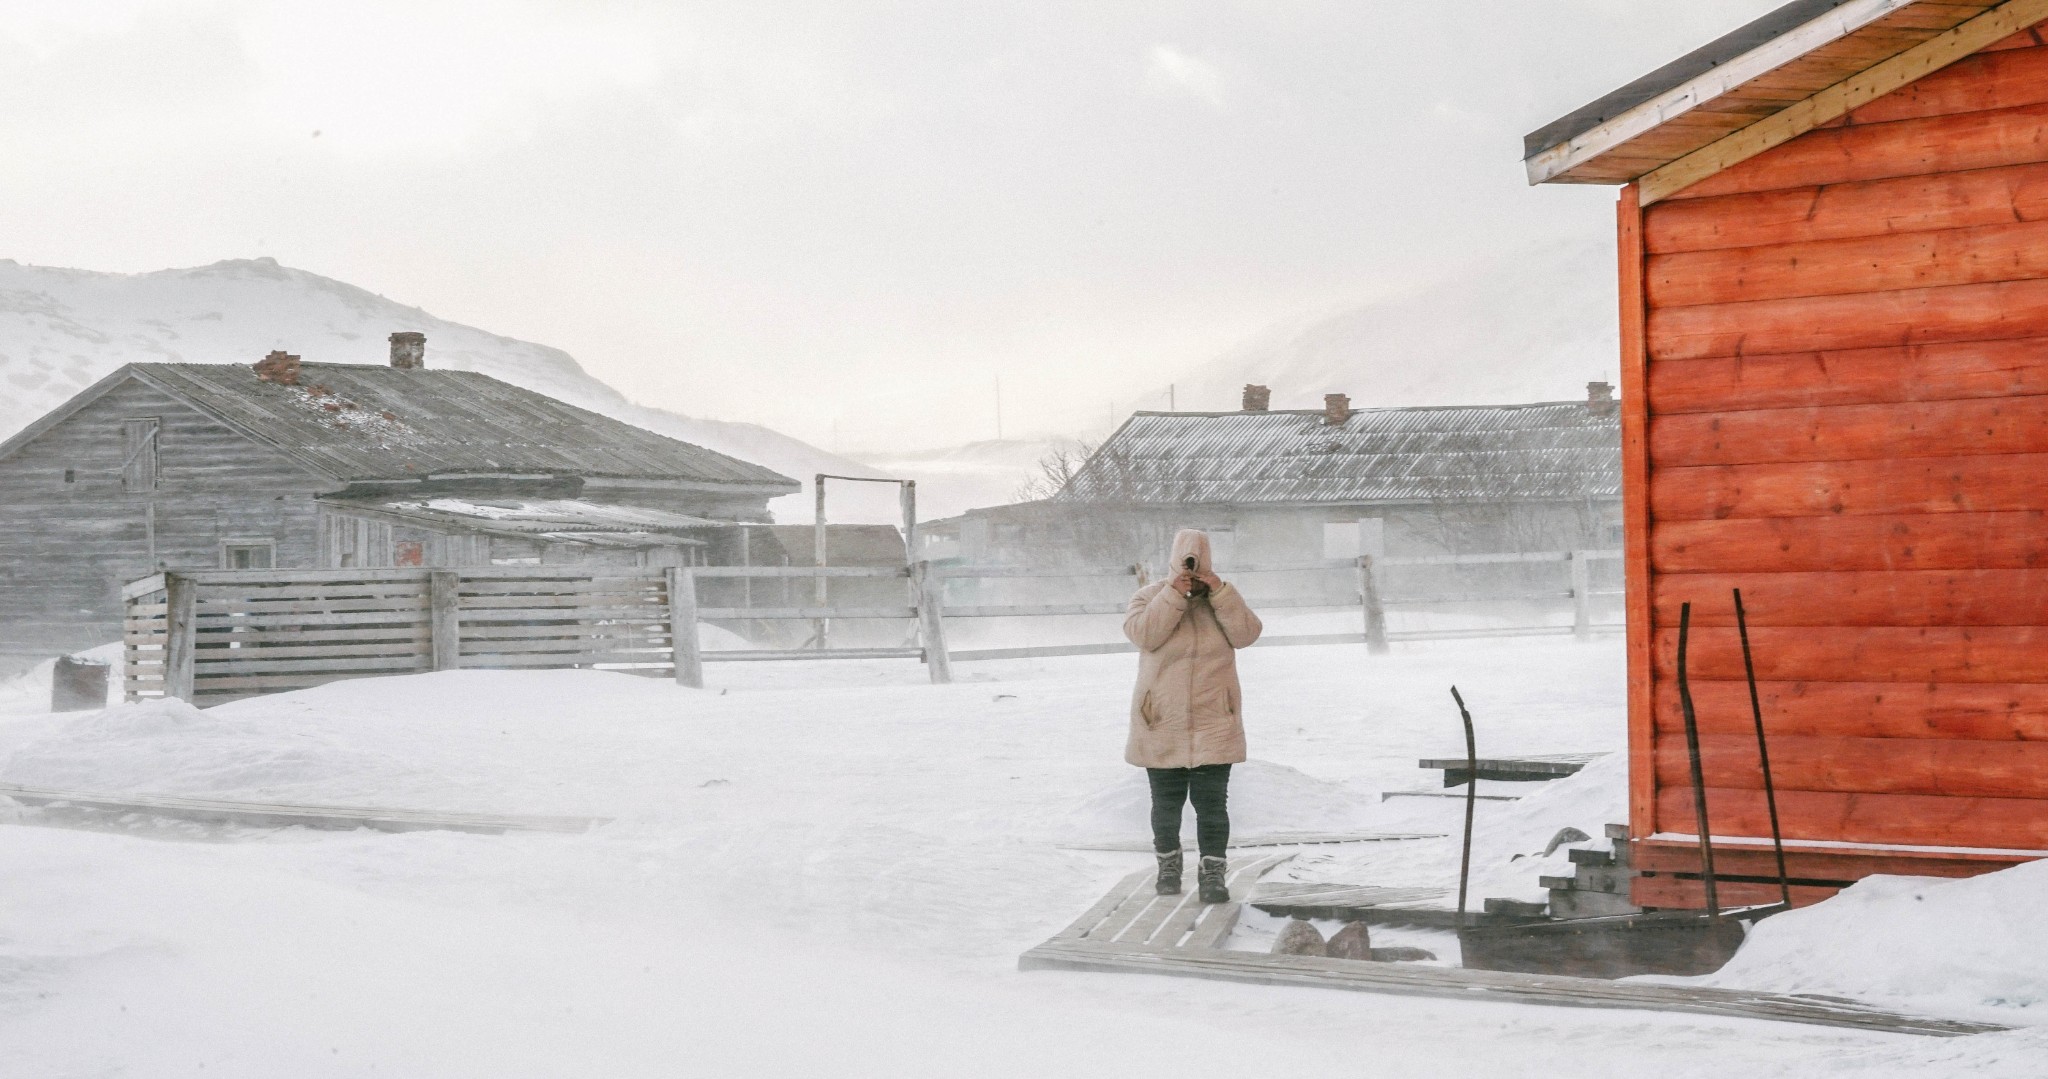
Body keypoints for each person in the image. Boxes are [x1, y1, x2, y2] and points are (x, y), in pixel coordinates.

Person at [1122, 528, 1263, 903]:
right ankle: (1168, 867)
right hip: (1161, 721)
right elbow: (1144, 635)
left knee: (1212, 806)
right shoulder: (1149, 597)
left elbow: (1248, 634)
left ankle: (1213, 875)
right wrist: (1173, 594)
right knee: (1165, 806)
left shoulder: (1221, 601)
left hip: (1214, 719)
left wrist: (1219, 590)